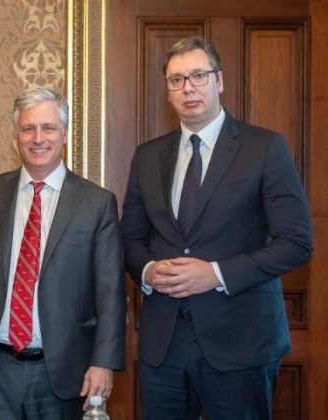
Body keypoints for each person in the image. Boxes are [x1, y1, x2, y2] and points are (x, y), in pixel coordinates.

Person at [120, 36, 314, 419]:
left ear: (219, 81)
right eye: (176, 80)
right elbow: (130, 238)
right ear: (168, 91)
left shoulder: (264, 147)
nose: (188, 88)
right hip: (163, 346)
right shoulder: (147, 156)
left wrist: (216, 274)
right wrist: (148, 270)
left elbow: (297, 242)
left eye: (199, 75)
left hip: (241, 343)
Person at [0, 87, 126, 419]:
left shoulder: (96, 203)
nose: (38, 138)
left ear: (65, 134)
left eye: (48, 128)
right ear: (16, 136)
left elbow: (111, 293)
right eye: (28, 128)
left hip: (65, 372)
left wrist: (103, 361)